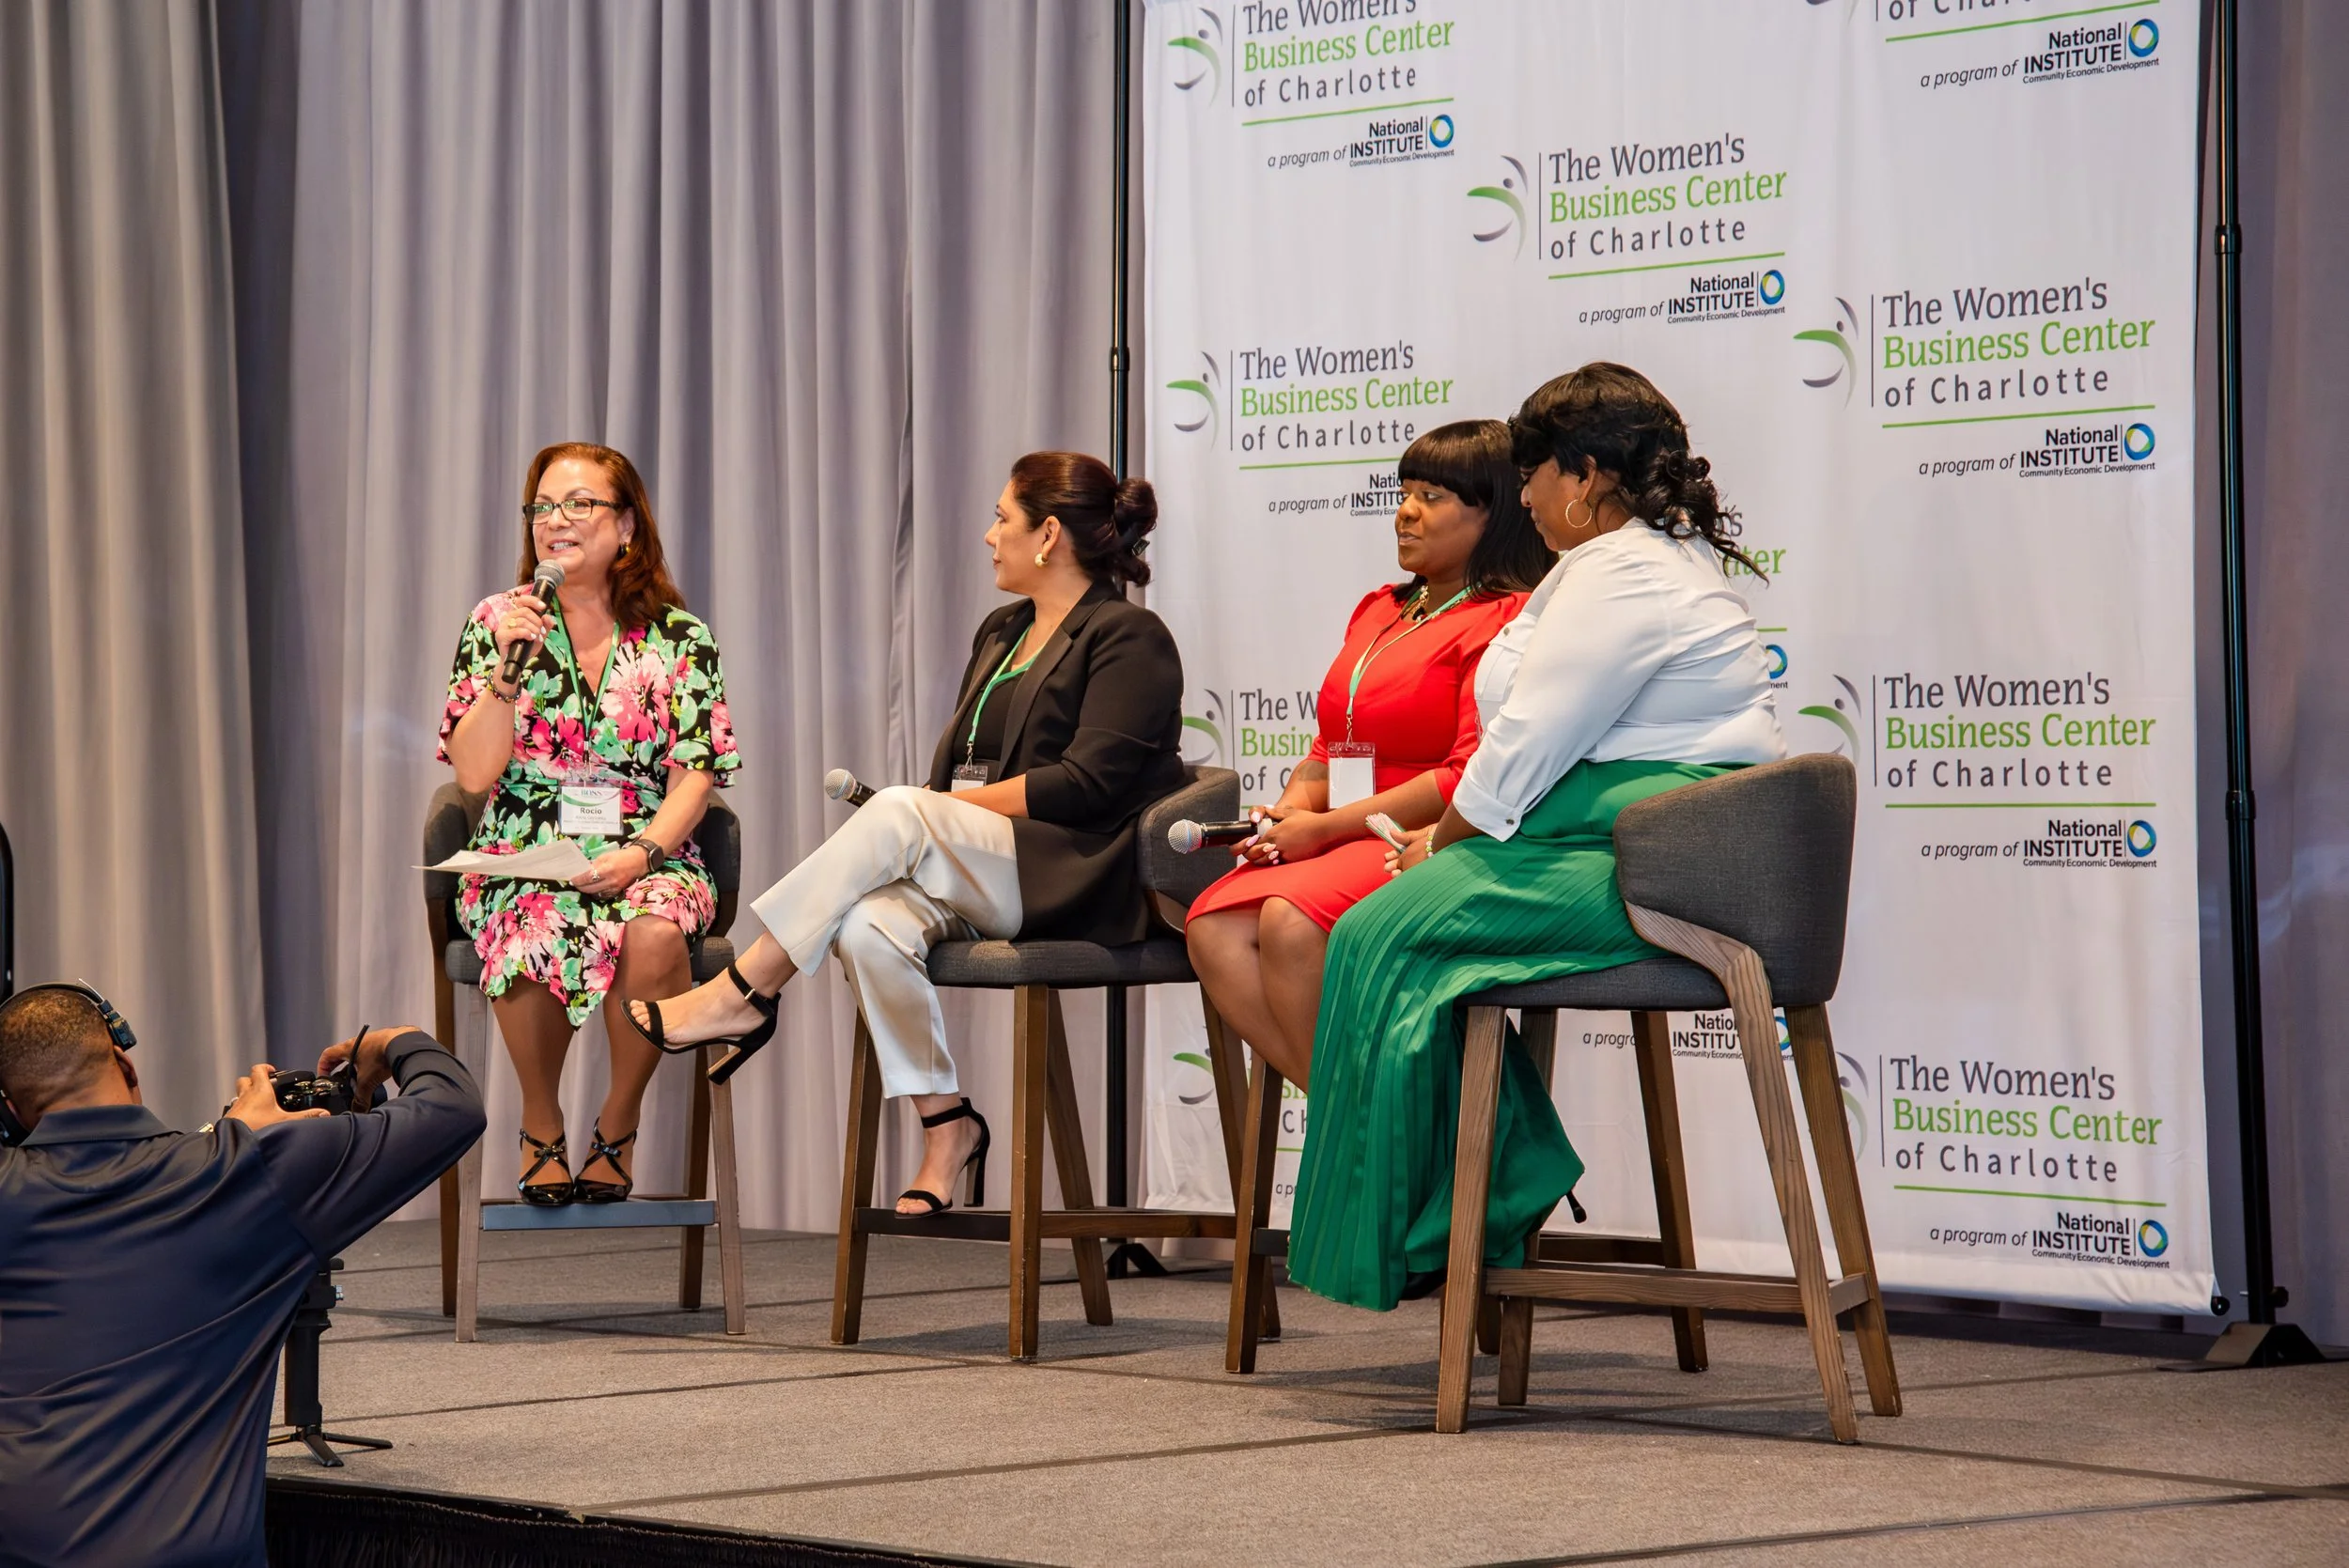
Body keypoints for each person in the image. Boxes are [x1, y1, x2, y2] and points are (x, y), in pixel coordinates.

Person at [1288, 363, 1786, 1312]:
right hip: (1626, 846)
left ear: (1585, 474)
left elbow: (1525, 745)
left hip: (1664, 873)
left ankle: (1456, 1214)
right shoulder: (1617, 567)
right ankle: (1494, 1181)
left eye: (1532, 474)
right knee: (1395, 937)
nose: (1524, 495)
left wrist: (1439, 844)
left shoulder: (1625, 574)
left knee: (1374, 932)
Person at [631, 452, 1179, 1215]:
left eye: (1002, 518)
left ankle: (746, 987)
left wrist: (927, 816)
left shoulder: (1128, 636)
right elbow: (954, 766)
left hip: (1071, 872)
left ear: (1049, 533)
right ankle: (947, 1122)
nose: (989, 535)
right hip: (984, 865)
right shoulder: (1003, 629)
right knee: (864, 926)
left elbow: (1091, 785)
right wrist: (929, 815)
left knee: (895, 809)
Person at [0, 984, 483, 1568]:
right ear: (124, 1062)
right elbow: (453, 1107)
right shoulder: (253, 1173)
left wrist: (232, 1140)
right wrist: (391, 1042)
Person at [1184, 420, 1551, 1090]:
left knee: (1289, 922)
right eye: (1404, 491)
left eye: (1433, 495)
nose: (1405, 512)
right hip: (1335, 831)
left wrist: (1320, 829)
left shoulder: (1505, 617)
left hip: (1419, 837)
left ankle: (1365, 1136)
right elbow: (1329, 747)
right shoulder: (1380, 608)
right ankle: (1352, 1119)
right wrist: (1291, 810)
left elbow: (1463, 774)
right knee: (1212, 924)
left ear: (1493, 512)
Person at [439, 442, 739, 1205]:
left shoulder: (681, 637)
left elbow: (695, 772)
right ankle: (541, 1121)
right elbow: (473, 773)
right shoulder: (494, 623)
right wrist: (509, 666)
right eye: (542, 506)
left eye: (579, 504)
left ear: (627, 525)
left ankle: (618, 1118)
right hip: (526, 846)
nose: (555, 521)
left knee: (655, 929)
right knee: (536, 920)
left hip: (650, 845)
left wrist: (643, 853)